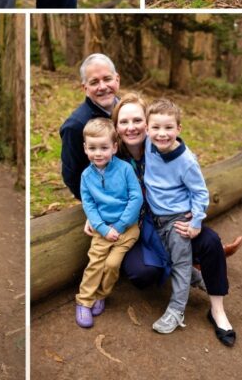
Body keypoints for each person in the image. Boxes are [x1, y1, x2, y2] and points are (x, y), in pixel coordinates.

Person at [116, 93, 241, 345]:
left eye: (168, 128)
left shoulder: (184, 160)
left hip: (177, 221)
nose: (161, 133)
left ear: (179, 128)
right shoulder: (146, 144)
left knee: (185, 261)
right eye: (156, 128)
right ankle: (199, 280)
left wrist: (195, 222)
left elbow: (200, 192)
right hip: (152, 220)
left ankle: (176, 310)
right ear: (149, 129)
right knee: (170, 259)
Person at [75, 118, 143, 328]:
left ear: (114, 147)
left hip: (127, 228)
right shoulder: (86, 176)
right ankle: (84, 301)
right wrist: (104, 229)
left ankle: (102, 294)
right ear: (85, 148)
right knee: (95, 264)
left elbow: (136, 198)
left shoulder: (124, 169)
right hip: (102, 229)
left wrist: (120, 226)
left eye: (104, 148)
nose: (98, 153)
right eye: (92, 148)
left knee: (112, 264)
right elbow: (89, 205)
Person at [60, 54, 121, 198]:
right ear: (85, 87)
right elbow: (72, 176)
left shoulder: (130, 111)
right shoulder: (75, 126)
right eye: (94, 82)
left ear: (117, 79)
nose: (102, 87)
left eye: (107, 79)